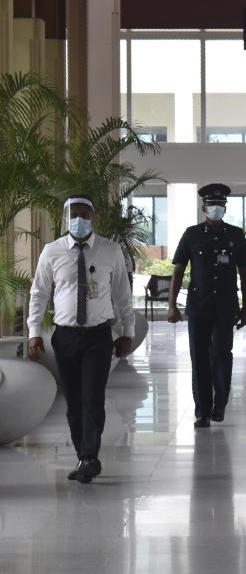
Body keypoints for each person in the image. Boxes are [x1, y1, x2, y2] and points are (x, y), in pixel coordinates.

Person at [27, 195, 136, 483]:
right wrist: (34, 333)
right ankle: (82, 454)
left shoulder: (110, 250)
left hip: (98, 336)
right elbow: (38, 293)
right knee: (73, 401)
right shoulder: (52, 252)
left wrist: (128, 331)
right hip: (64, 336)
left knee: (92, 397)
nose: (79, 219)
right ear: (65, 218)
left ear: (94, 217)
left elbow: (123, 294)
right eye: (74, 214)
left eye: (85, 214)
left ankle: (90, 456)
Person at [168, 184, 246, 428]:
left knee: (221, 355)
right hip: (198, 307)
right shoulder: (191, 234)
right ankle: (202, 410)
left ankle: (220, 405)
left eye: (220, 205)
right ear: (203, 208)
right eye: (212, 205)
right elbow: (178, 270)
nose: (216, 209)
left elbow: (245, 273)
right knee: (199, 358)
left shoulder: (236, 235)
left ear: (225, 207)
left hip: (226, 307)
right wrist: (172, 305)